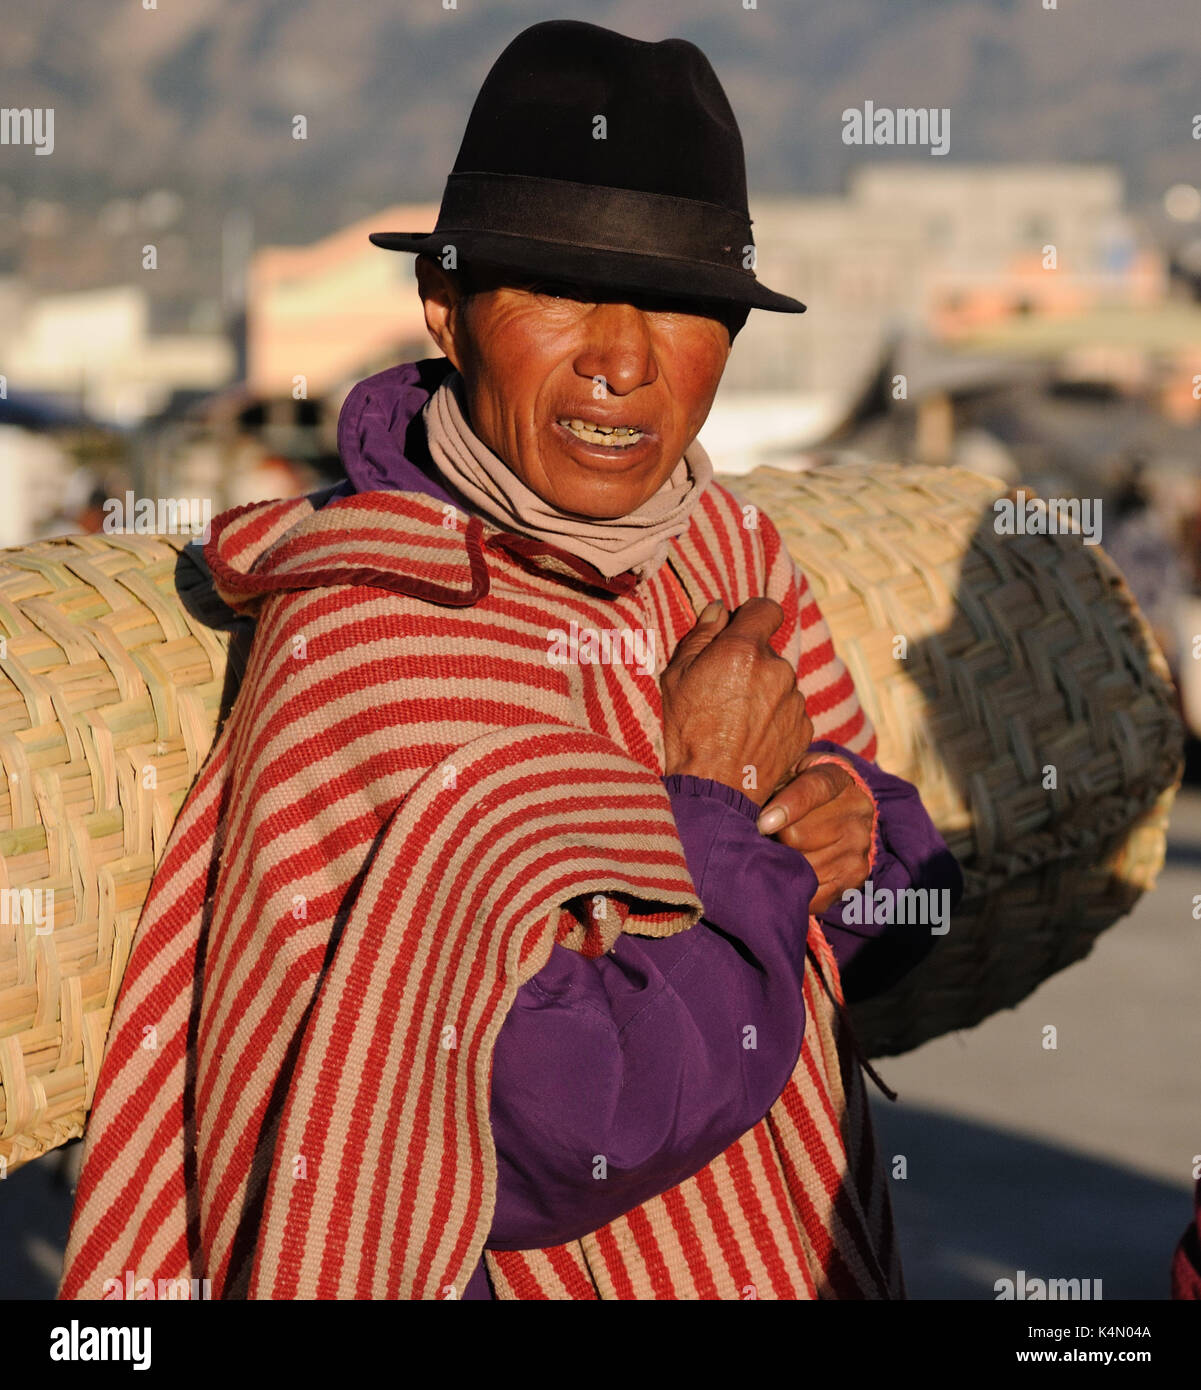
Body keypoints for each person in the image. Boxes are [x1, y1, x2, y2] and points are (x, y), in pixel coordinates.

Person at [59, 20, 961, 1301]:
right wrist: (721, 827)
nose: (623, 355)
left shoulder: (728, 553)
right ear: (447, 305)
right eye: (558, 290)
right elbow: (542, 1129)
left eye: (678, 306)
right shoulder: (371, 632)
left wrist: (854, 831)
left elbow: (905, 897)